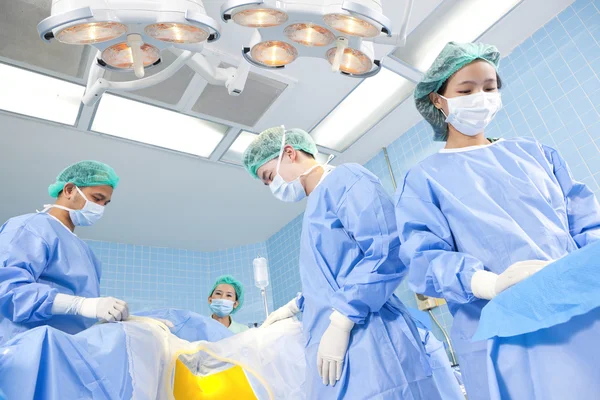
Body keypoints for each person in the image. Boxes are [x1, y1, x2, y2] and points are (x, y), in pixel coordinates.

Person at [394, 42, 600, 400]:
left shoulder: (536, 154)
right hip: (501, 331)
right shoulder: (424, 179)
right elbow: (426, 259)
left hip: (581, 312)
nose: (482, 97)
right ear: (439, 100)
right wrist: (489, 283)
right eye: (467, 90)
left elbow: (586, 226)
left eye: (490, 88)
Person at [243, 127, 455, 399]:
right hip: (339, 353)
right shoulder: (314, 211)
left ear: (289, 152)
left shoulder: (345, 180)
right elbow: (334, 280)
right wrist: (298, 304)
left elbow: (388, 248)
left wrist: (343, 319)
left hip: (372, 344)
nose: (272, 186)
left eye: (269, 176)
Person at [0, 160, 129, 346]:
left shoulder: (86, 253)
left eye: (105, 203)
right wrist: (81, 305)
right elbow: (8, 290)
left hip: (67, 352)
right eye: (97, 198)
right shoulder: (30, 227)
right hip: (24, 351)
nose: (100, 207)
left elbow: (83, 319)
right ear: (69, 190)